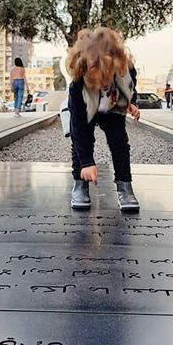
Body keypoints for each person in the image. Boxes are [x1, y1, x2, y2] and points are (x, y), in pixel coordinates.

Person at [67, 27, 140, 212]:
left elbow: (130, 85)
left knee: (120, 143)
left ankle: (125, 185)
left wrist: (131, 102)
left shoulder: (125, 69)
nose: (100, 85)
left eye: (105, 79)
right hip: (87, 109)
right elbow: (78, 128)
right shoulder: (77, 86)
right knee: (81, 143)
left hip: (113, 106)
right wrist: (86, 163)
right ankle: (80, 184)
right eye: (94, 81)